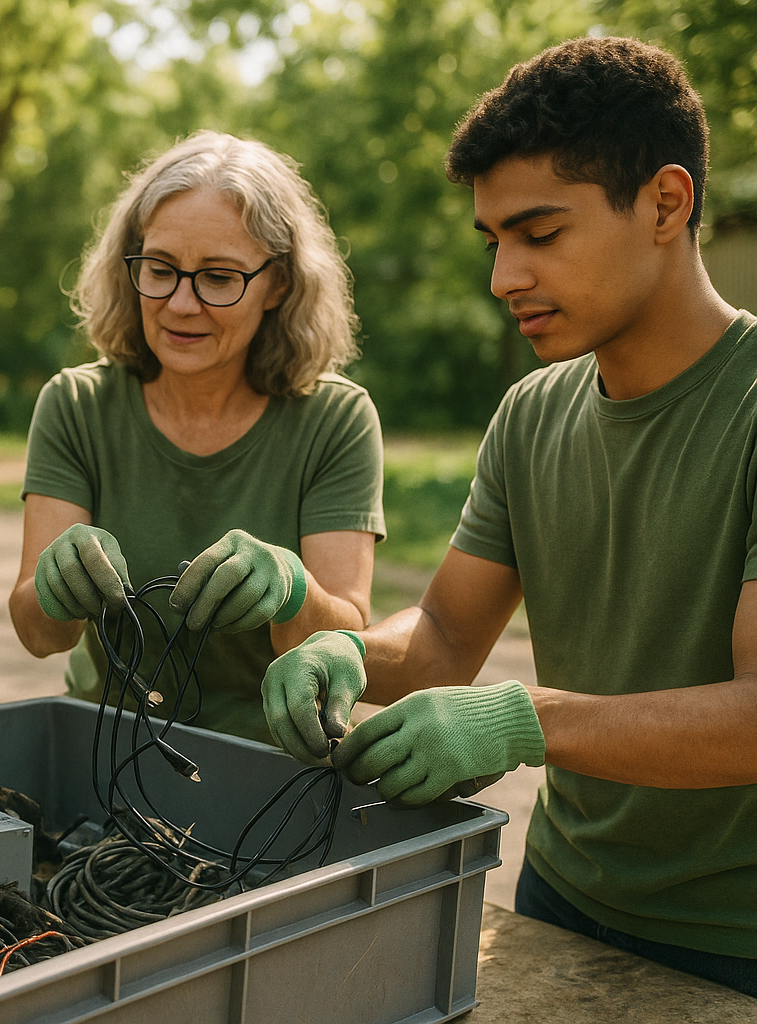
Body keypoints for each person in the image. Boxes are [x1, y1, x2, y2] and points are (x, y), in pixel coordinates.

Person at [262, 38, 757, 995]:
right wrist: (352, 652)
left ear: (666, 204)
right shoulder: (533, 413)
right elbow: (446, 634)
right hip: (560, 897)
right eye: (494, 243)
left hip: (734, 943)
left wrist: (521, 719)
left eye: (540, 234)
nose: (503, 280)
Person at [8, 131, 385, 743]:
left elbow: (346, 640)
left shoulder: (334, 419)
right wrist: (53, 588)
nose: (181, 304)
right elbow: (39, 637)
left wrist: (292, 588)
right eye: (160, 269)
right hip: (108, 749)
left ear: (279, 285)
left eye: (218, 277)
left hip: (270, 765)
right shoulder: (77, 404)